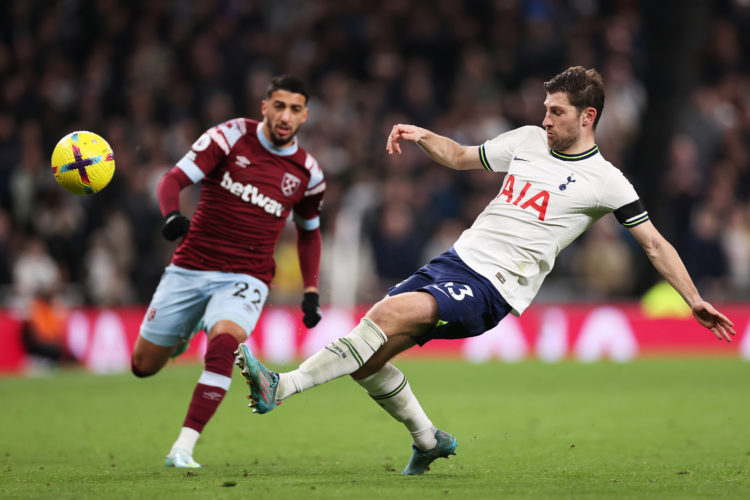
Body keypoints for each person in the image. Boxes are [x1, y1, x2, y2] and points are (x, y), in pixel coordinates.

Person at [234, 66, 736, 475]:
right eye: (545, 110)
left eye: (556, 113)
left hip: (493, 289)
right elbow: (459, 157)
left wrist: (692, 298)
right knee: (365, 360)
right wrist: (420, 134)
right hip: (454, 261)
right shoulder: (525, 140)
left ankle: (282, 387)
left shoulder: (607, 182)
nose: (545, 120)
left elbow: (653, 242)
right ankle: (428, 440)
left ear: (588, 117)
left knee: (385, 316)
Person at [131, 75, 326, 468]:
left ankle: (183, 447)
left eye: (294, 109)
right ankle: (183, 332)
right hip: (191, 266)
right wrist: (171, 215)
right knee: (142, 366)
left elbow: (309, 235)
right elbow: (173, 180)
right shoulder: (229, 137)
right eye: (279, 105)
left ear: (305, 115)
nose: (285, 115)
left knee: (223, 345)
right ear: (264, 107)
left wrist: (310, 290)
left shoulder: (308, 174)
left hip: (247, 276)